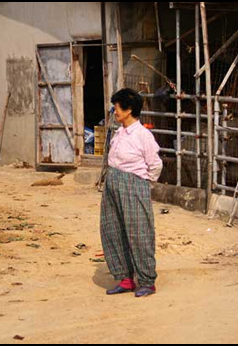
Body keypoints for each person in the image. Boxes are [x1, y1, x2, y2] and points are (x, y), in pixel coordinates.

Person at [100, 88, 163, 298]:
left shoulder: (143, 135)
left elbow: (155, 164)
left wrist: (142, 183)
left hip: (134, 184)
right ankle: (125, 279)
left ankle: (146, 280)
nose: (114, 111)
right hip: (113, 182)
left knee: (139, 231)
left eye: (117, 107)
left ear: (128, 110)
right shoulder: (118, 133)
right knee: (113, 229)